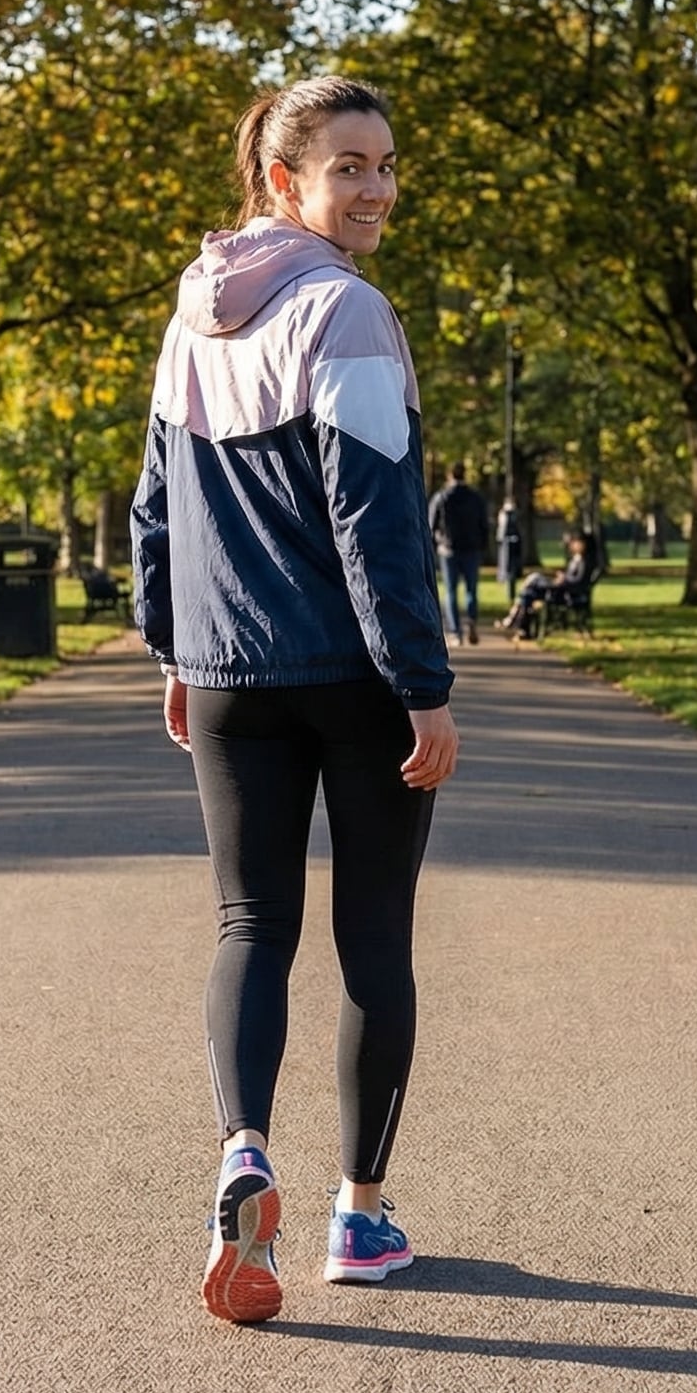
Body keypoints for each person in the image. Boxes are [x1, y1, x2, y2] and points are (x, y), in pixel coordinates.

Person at [131, 76, 456, 1325]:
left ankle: (240, 1152)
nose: (374, 188)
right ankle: (360, 1220)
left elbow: (156, 509)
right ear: (283, 182)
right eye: (349, 167)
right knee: (372, 936)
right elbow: (375, 523)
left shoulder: (190, 320)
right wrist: (421, 687)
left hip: (226, 680)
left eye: (386, 164)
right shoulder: (347, 313)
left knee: (249, 923)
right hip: (355, 682)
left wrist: (175, 650)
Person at [428, 463, 487, 645]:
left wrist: (434, 544)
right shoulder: (476, 497)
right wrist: (482, 545)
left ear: (449, 476)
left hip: (448, 549)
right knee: (471, 589)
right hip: (471, 548)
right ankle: (471, 619)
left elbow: (431, 524)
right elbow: (483, 524)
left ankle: (455, 632)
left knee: (450, 591)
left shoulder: (441, 497)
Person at [498, 530, 599, 633]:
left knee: (531, 585)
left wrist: (564, 579)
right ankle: (522, 626)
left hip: (567, 593)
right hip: (563, 589)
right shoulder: (578, 559)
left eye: (576, 542)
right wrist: (564, 577)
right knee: (528, 593)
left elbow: (578, 581)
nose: (573, 545)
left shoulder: (585, 562)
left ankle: (517, 622)